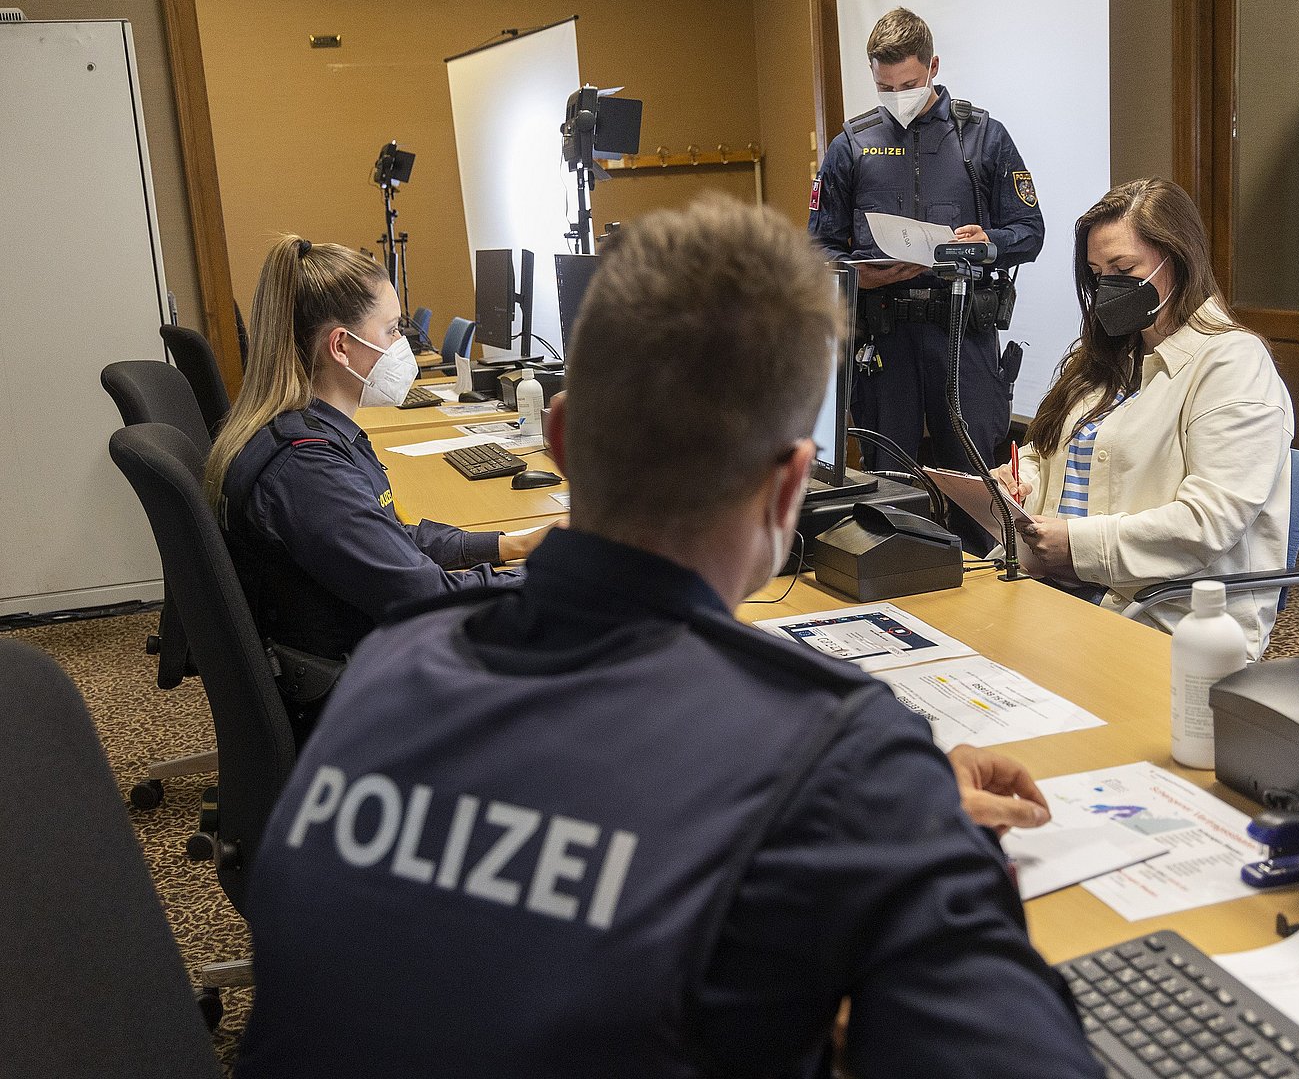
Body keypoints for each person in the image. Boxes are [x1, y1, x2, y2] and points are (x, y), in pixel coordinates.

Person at [234, 199, 1101, 1078]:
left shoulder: (393, 664)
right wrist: (915, 832)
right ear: (791, 485)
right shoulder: (838, 756)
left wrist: (877, 807)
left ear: (561, 436)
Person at [203, 237, 551, 734]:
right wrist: (548, 577)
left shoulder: (310, 431)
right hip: (359, 697)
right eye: (392, 330)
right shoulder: (308, 469)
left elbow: (386, 538)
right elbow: (426, 596)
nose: (402, 345)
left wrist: (510, 544)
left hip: (356, 659)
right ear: (341, 346)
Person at [996, 179, 1293, 658]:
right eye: (1097, 273)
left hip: (1159, 617)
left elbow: (1207, 523)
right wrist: (1020, 481)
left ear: (1178, 258)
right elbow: (1041, 453)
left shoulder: (1233, 363)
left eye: (1123, 269)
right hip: (1057, 592)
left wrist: (1076, 545)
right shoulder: (1106, 358)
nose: (1108, 286)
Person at [809, 6, 1043, 539]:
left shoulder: (983, 137)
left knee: (977, 486)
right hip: (884, 337)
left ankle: (987, 576)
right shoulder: (852, 145)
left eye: (909, 84)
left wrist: (988, 244)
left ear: (933, 66)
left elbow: (1030, 231)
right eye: (884, 86)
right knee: (886, 489)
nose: (898, 96)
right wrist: (857, 277)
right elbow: (817, 249)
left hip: (961, 331)